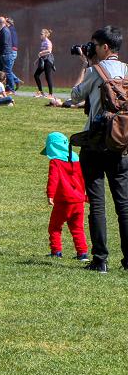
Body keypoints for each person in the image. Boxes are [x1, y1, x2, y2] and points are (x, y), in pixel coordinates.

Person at [68, 26, 128, 273]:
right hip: (121, 143)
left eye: (94, 45)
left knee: (97, 203)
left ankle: (100, 260)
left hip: (95, 144)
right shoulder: (126, 70)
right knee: (124, 204)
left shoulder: (94, 71)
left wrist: (85, 65)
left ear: (105, 47)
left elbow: (74, 96)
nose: (91, 48)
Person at [40, 132, 88, 261]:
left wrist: (50, 195)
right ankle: (82, 253)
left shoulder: (55, 162)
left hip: (63, 201)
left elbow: (53, 179)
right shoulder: (76, 158)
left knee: (55, 227)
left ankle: (56, 251)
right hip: (78, 200)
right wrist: (86, 195)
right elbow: (82, 179)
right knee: (77, 228)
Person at [0, 16, 21, 93]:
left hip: (6, 54)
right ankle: (1, 88)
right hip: (4, 54)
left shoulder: (5, 31)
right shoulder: (4, 30)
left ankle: (11, 89)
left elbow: (6, 44)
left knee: (8, 71)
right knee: (1, 71)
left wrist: (3, 54)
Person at [34, 28, 56, 97]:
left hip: (48, 61)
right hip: (43, 60)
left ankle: (50, 94)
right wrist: (36, 60)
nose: (40, 35)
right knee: (36, 75)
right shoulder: (43, 42)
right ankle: (41, 92)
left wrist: (41, 52)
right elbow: (41, 54)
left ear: (45, 35)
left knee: (48, 77)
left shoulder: (48, 42)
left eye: (42, 34)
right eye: (40, 34)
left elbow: (49, 51)